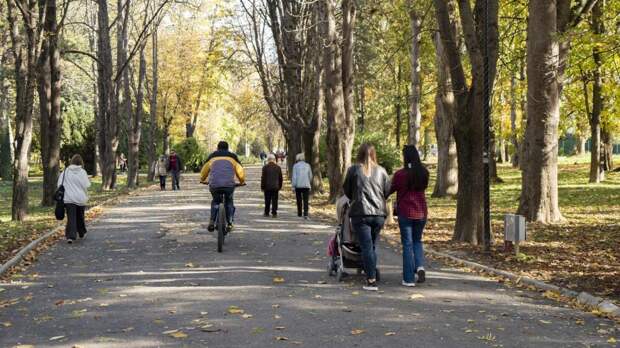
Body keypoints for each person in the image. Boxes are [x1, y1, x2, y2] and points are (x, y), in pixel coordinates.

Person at [343, 143, 390, 291]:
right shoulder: (382, 171)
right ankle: (371, 270)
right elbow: (386, 191)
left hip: (361, 213)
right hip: (379, 214)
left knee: (366, 246)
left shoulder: (354, 170)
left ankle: (371, 279)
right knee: (373, 245)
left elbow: (347, 190)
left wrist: (355, 198)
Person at [389, 145, 429, 286]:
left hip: (405, 212)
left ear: (405, 157)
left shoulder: (400, 174)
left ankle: (408, 279)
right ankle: (419, 266)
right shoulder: (424, 172)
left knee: (407, 244)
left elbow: (390, 189)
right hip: (421, 212)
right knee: (417, 241)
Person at [200, 141, 246, 232]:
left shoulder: (212, 156)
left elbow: (204, 170)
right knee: (229, 201)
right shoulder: (233, 157)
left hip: (214, 185)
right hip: (229, 185)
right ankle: (229, 223)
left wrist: (203, 179)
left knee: (215, 201)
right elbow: (240, 172)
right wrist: (241, 181)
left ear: (217, 148)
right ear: (227, 148)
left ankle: (212, 221)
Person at [58, 155, 91, 244]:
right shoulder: (82, 172)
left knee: (71, 217)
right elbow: (87, 185)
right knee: (80, 216)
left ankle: (70, 236)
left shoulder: (66, 172)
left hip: (69, 198)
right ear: (81, 162)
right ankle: (81, 232)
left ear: (71, 161)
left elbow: (60, 184)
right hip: (80, 198)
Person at [261, 154, 283, 218]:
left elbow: (263, 178)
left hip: (267, 187)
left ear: (268, 160)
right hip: (275, 187)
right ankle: (274, 213)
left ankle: (266, 212)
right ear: (274, 160)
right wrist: (280, 186)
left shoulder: (265, 167)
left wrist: (262, 187)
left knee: (267, 200)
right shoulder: (278, 167)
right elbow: (280, 178)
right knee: (275, 200)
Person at [291, 153, 312, 219]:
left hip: (298, 185)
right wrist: (309, 182)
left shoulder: (295, 166)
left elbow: (294, 177)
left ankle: (299, 213)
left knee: (299, 199)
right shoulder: (308, 165)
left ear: (298, 158)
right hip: (306, 185)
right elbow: (310, 176)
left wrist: (293, 186)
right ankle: (306, 213)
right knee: (306, 200)